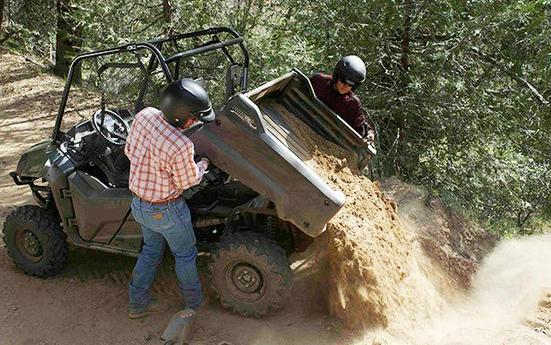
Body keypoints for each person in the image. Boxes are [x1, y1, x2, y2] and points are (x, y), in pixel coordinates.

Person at [124, 78, 215, 319]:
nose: (195, 122)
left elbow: (129, 151)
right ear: (179, 115)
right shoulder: (180, 145)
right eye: (193, 117)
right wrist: (203, 164)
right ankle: (194, 304)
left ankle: (137, 304)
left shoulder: (145, 115)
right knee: (185, 255)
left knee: (151, 251)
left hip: (139, 205)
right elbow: (187, 182)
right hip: (167, 211)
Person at [310, 55, 375, 143]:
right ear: (336, 76)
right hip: (299, 120)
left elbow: (361, 126)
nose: (345, 86)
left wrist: (370, 134)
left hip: (323, 140)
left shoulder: (352, 104)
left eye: (351, 84)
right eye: (343, 81)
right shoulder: (318, 81)